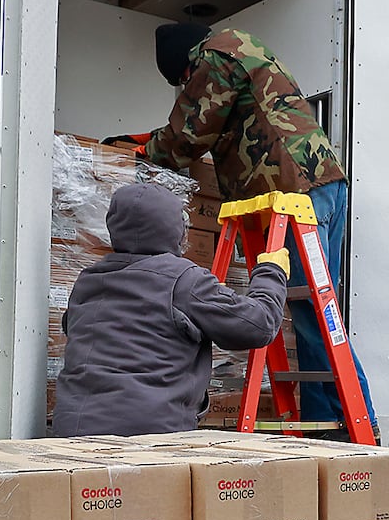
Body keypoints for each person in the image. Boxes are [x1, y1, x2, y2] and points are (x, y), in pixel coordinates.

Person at [107, 21, 377, 439]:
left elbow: (189, 136)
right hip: (321, 184)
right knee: (318, 313)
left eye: (181, 80)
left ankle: (354, 425)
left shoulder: (213, 57)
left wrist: (141, 153)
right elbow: (200, 122)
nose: (185, 86)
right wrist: (146, 137)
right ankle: (330, 423)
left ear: (184, 63)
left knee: (314, 315)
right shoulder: (241, 49)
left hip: (290, 193)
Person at [51, 182, 289, 435]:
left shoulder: (88, 280)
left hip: (72, 432)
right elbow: (258, 325)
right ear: (175, 228)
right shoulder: (184, 280)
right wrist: (272, 272)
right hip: (146, 438)